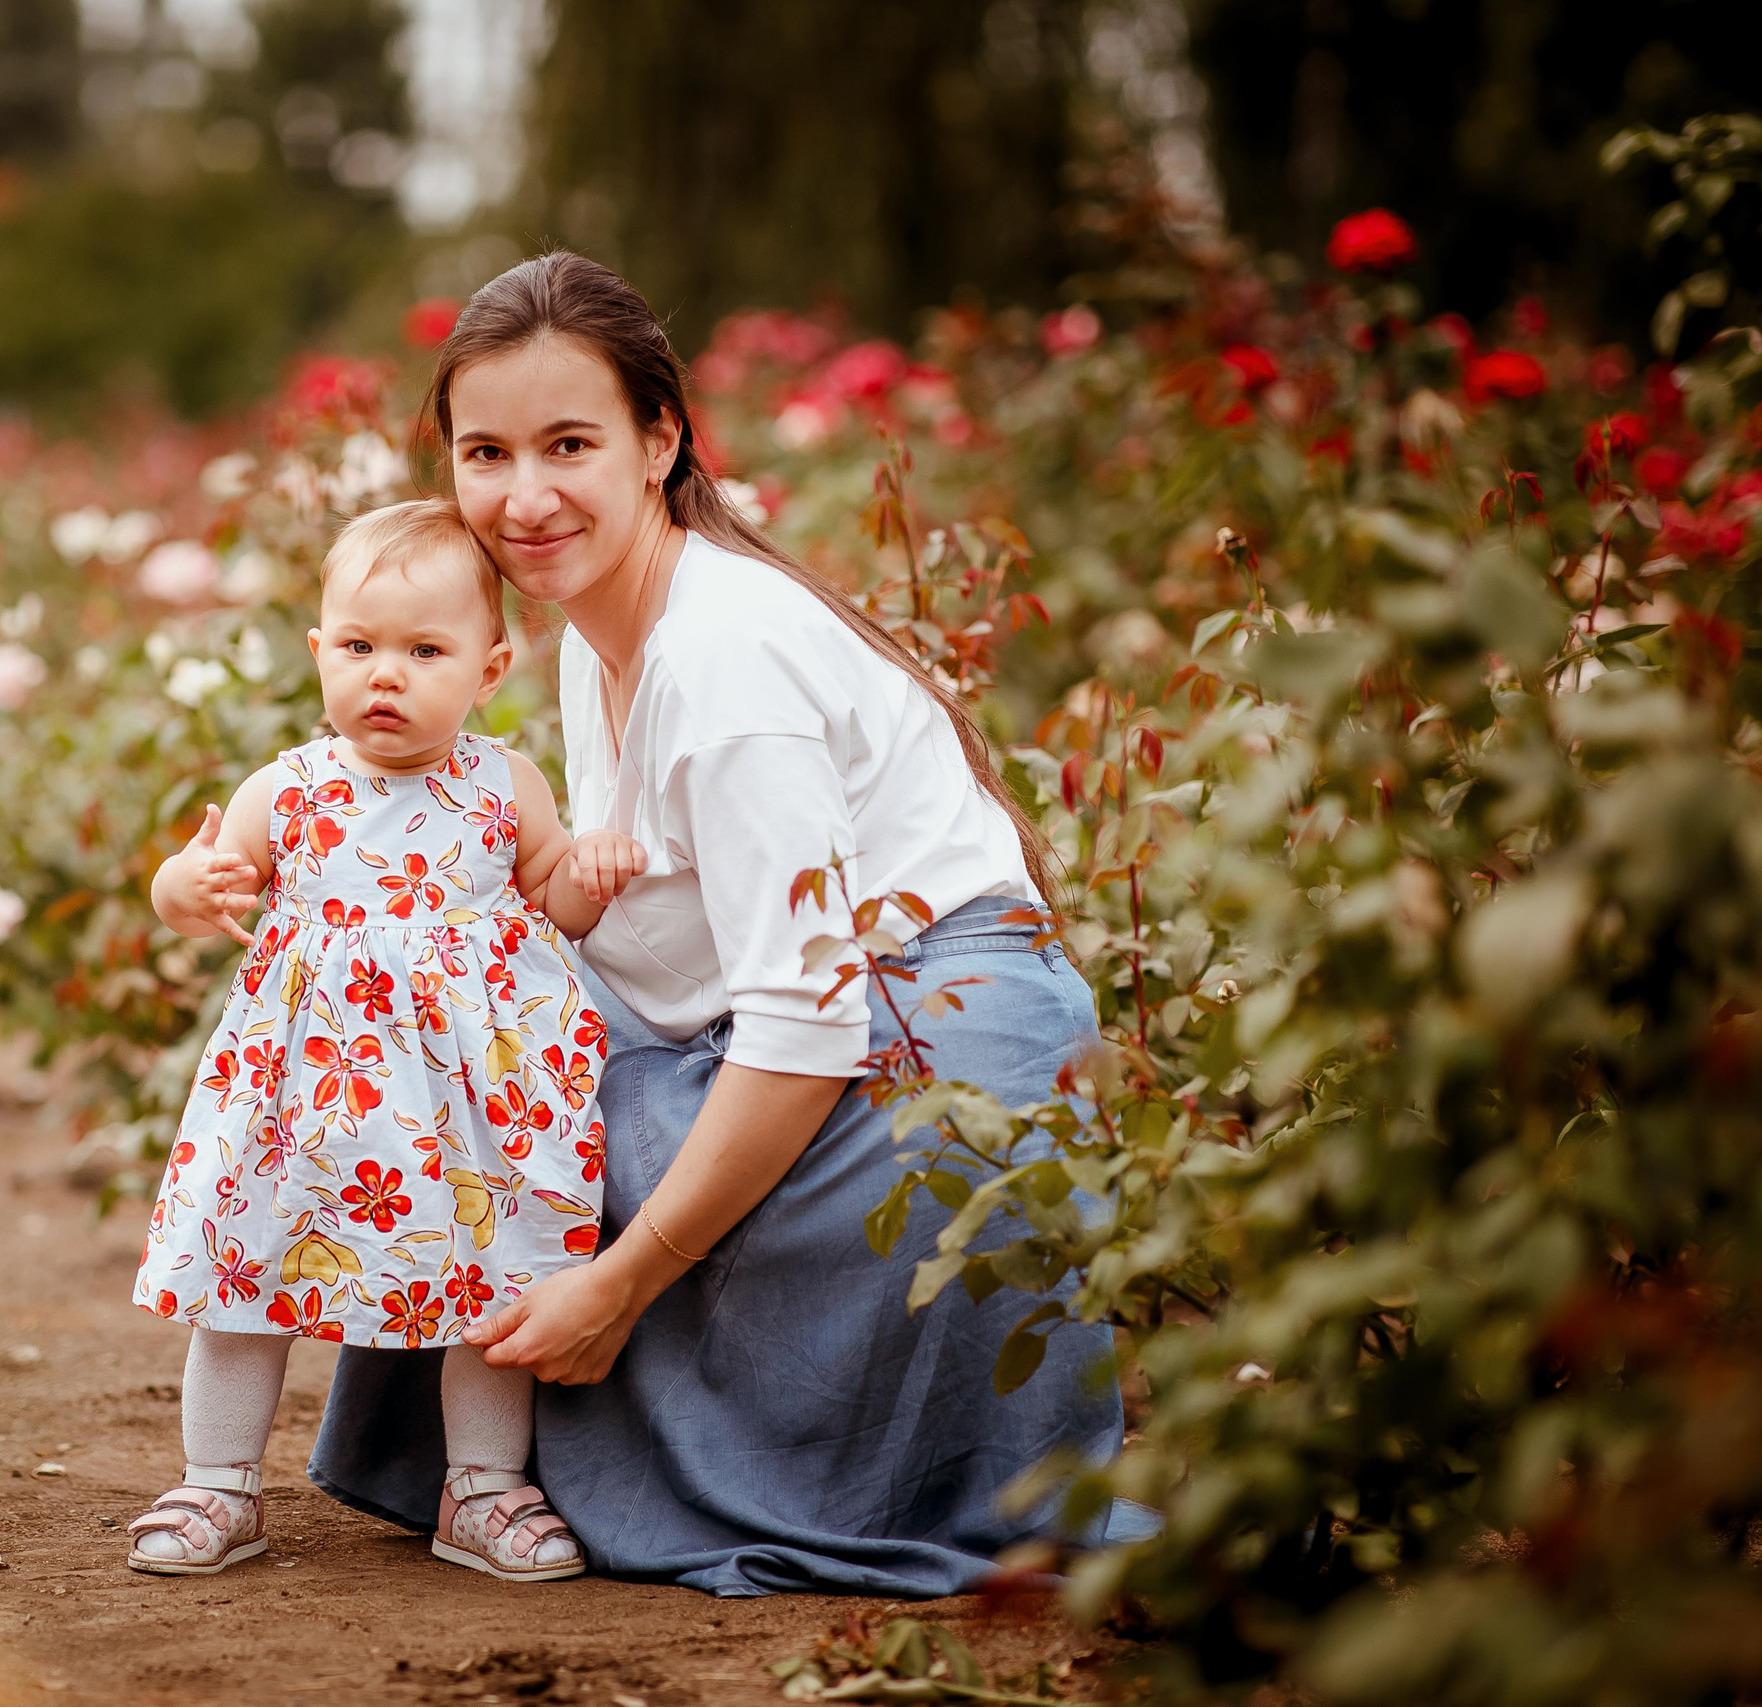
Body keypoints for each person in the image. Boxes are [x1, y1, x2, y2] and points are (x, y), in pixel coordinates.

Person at [308, 254, 1147, 1598]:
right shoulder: (597, 635)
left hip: (941, 1058)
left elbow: (803, 1025)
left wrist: (623, 1281)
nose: (525, 497)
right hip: (829, 1019)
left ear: (660, 439)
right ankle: (490, 1464)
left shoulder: (724, 662)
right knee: (471, 1087)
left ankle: (679, 1445)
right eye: (487, 450)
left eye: (569, 443)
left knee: (552, 1163)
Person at [126, 497, 650, 1581]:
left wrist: (584, 874)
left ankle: (482, 1489)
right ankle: (218, 1483)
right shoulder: (289, 789)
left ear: (489, 669)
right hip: (302, 1096)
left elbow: (550, 896)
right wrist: (186, 884)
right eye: (359, 647)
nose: (386, 675)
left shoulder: (505, 787)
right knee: (247, 1264)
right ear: (319, 652)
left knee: (492, 1271)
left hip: (467, 1100)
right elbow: (193, 886)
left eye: (425, 651)